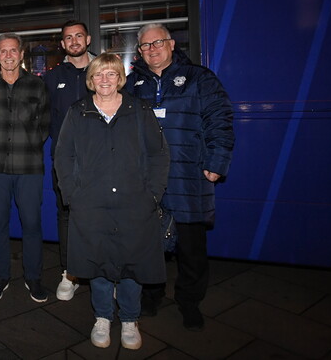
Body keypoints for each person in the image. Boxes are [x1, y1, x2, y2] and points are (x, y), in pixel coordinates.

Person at [123, 23, 234, 331]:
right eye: (145, 46)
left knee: (191, 248)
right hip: (147, 181)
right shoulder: (133, 85)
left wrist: (217, 160)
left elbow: (220, 120)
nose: (151, 49)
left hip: (188, 176)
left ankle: (189, 302)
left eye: (157, 43)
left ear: (171, 44)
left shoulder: (200, 79)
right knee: (148, 245)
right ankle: (152, 296)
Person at [55, 53, 169, 350]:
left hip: (135, 204)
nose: (104, 80)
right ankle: (103, 317)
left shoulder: (139, 110)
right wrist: (73, 196)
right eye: (98, 75)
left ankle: (130, 319)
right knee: (99, 263)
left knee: (133, 265)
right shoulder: (77, 112)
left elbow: (159, 155)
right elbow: (63, 156)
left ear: (120, 78)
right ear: (90, 81)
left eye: (111, 74)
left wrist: (153, 194)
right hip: (90, 204)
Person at [0, 33, 50, 303]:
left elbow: (44, 125)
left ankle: (34, 277)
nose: (8, 55)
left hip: (29, 167)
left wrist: (29, 143)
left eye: (13, 50)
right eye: (3, 51)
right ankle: (1, 276)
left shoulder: (37, 85)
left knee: (32, 224)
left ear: (21, 55)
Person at [43, 20, 94, 301]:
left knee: (101, 215)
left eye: (78, 36)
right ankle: (69, 273)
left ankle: (104, 274)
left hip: (100, 162)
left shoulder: (102, 72)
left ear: (88, 39)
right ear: (62, 45)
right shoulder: (51, 78)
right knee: (66, 215)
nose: (73, 41)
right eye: (68, 38)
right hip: (64, 162)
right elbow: (45, 118)